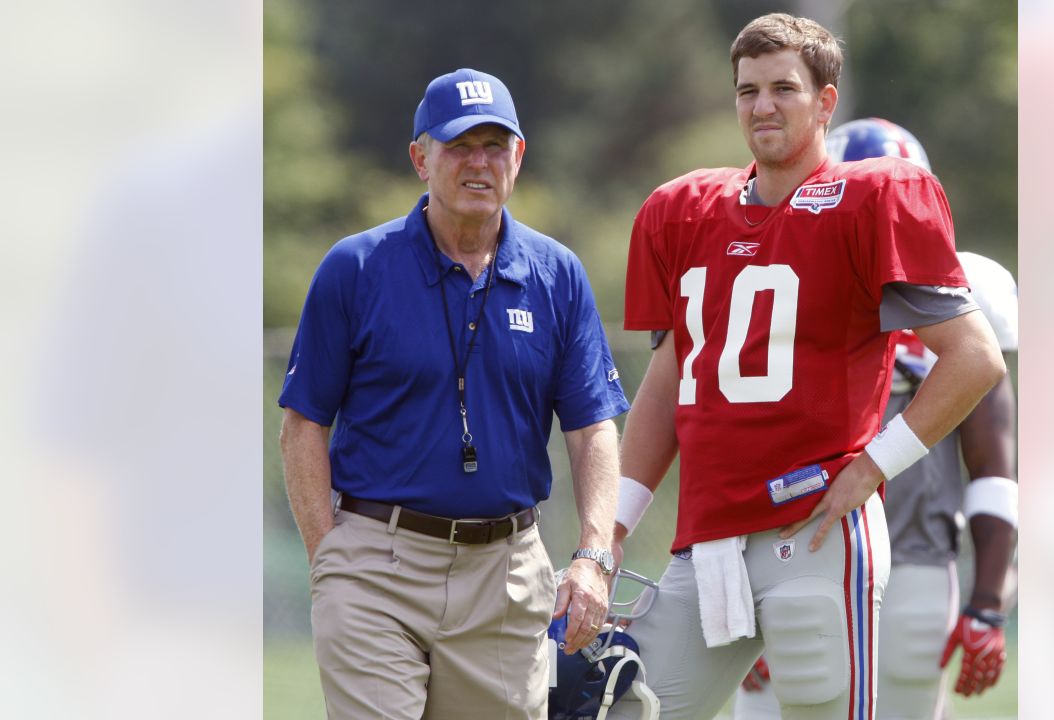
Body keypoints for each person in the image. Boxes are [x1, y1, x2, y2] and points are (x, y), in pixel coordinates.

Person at [608, 15, 1006, 720]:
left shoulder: (871, 198)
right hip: (707, 542)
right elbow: (670, 382)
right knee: (617, 707)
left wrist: (872, 465)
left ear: (825, 101)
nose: (763, 106)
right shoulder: (683, 212)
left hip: (814, 533)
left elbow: (973, 359)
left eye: (784, 88)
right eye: (748, 90)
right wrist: (608, 531)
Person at [277, 67, 630, 720]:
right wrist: (329, 558)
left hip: (506, 573)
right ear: (421, 158)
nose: (479, 163)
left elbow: (592, 429)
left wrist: (591, 556)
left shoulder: (557, 276)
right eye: (459, 146)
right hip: (375, 565)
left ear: (518, 157)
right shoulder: (355, 268)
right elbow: (303, 425)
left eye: (495, 146)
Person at [735, 119, 1019, 720]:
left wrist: (989, 600)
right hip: (795, 552)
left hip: (914, 558)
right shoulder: (771, 281)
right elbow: (726, 440)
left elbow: (993, 466)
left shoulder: (967, 296)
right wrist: (741, 580)